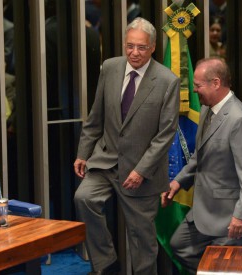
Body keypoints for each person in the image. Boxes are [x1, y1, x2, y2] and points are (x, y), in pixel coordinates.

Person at [73, 17, 180, 275]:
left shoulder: (167, 81)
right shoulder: (110, 68)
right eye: (130, 45)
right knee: (83, 198)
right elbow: (96, 116)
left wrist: (141, 170)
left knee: (141, 239)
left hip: (141, 173)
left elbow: (165, 136)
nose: (134, 52)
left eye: (141, 47)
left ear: (153, 47)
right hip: (106, 160)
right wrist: (83, 153)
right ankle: (107, 264)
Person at [162, 57, 242, 274]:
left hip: (231, 216)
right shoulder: (208, 110)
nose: (194, 90)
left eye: (198, 85)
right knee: (180, 246)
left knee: (225, 267)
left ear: (216, 83)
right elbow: (200, 156)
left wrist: (241, 215)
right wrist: (179, 182)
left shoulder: (240, 119)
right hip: (205, 210)